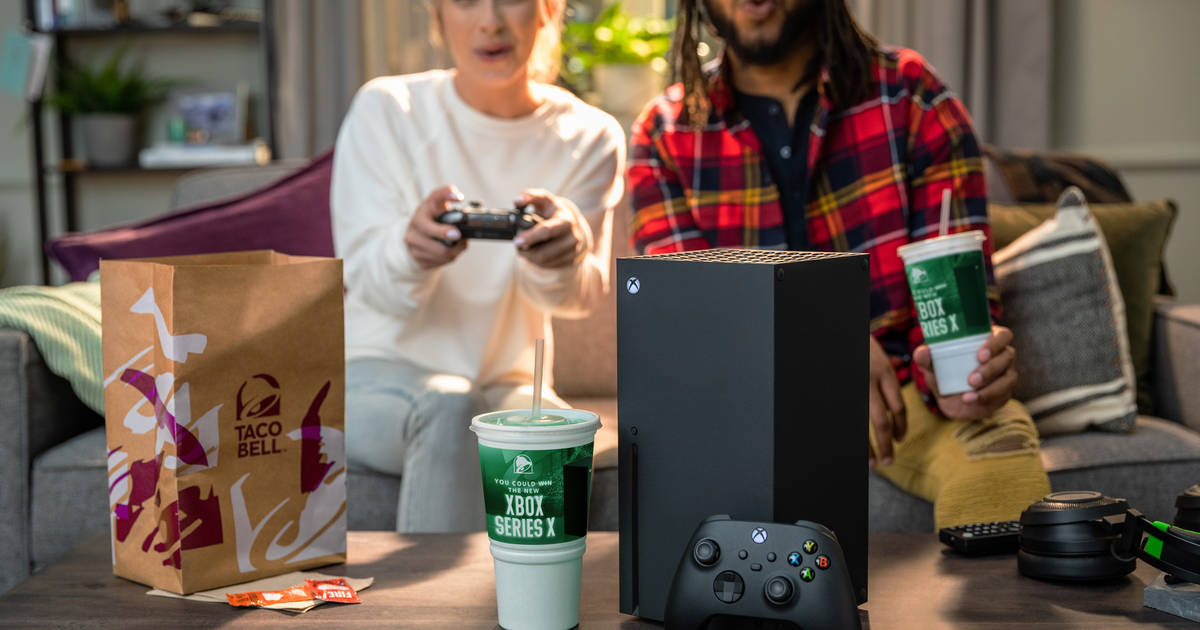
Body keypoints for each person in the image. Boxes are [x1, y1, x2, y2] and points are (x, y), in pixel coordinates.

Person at [627, 0, 1049, 528]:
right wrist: (826, 340)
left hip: (899, 397)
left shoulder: (912, 97)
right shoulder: (663, 134)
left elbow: (956, 289)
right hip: (745, 409)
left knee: (1001, 464)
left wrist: (965, 377)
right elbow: (687, 324)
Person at [331, 0, 625, 533]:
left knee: (554, 437)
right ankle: (436, 595)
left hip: (507, 384)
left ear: (547, 9)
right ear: (438, 15)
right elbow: (362, 281)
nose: (490, 21)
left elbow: (580, 297)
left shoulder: (591, 134)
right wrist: (409, 253)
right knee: (451, 408)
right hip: (377, 375)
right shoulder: (387, 109)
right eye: (466, 0)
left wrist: (562, 257)